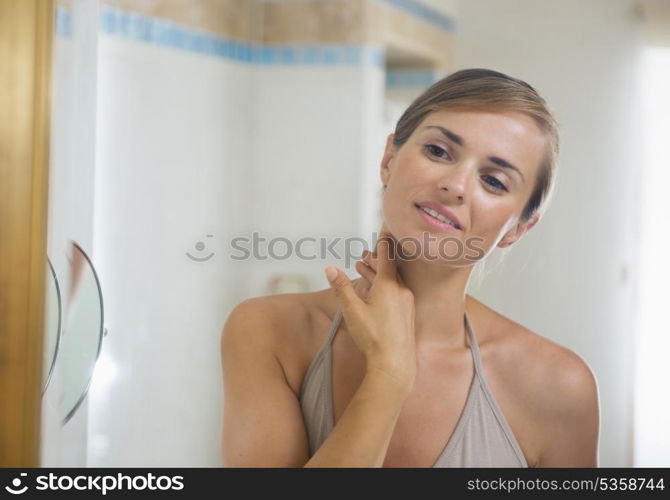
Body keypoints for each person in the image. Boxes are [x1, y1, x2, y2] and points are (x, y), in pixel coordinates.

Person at [220, 68, 600, 468]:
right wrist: (389, 374)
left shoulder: (558, 387)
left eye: (493, 181)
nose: (455, 184)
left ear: (518, 228)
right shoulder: (268, 331)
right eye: (438, 151)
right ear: (389, 159)